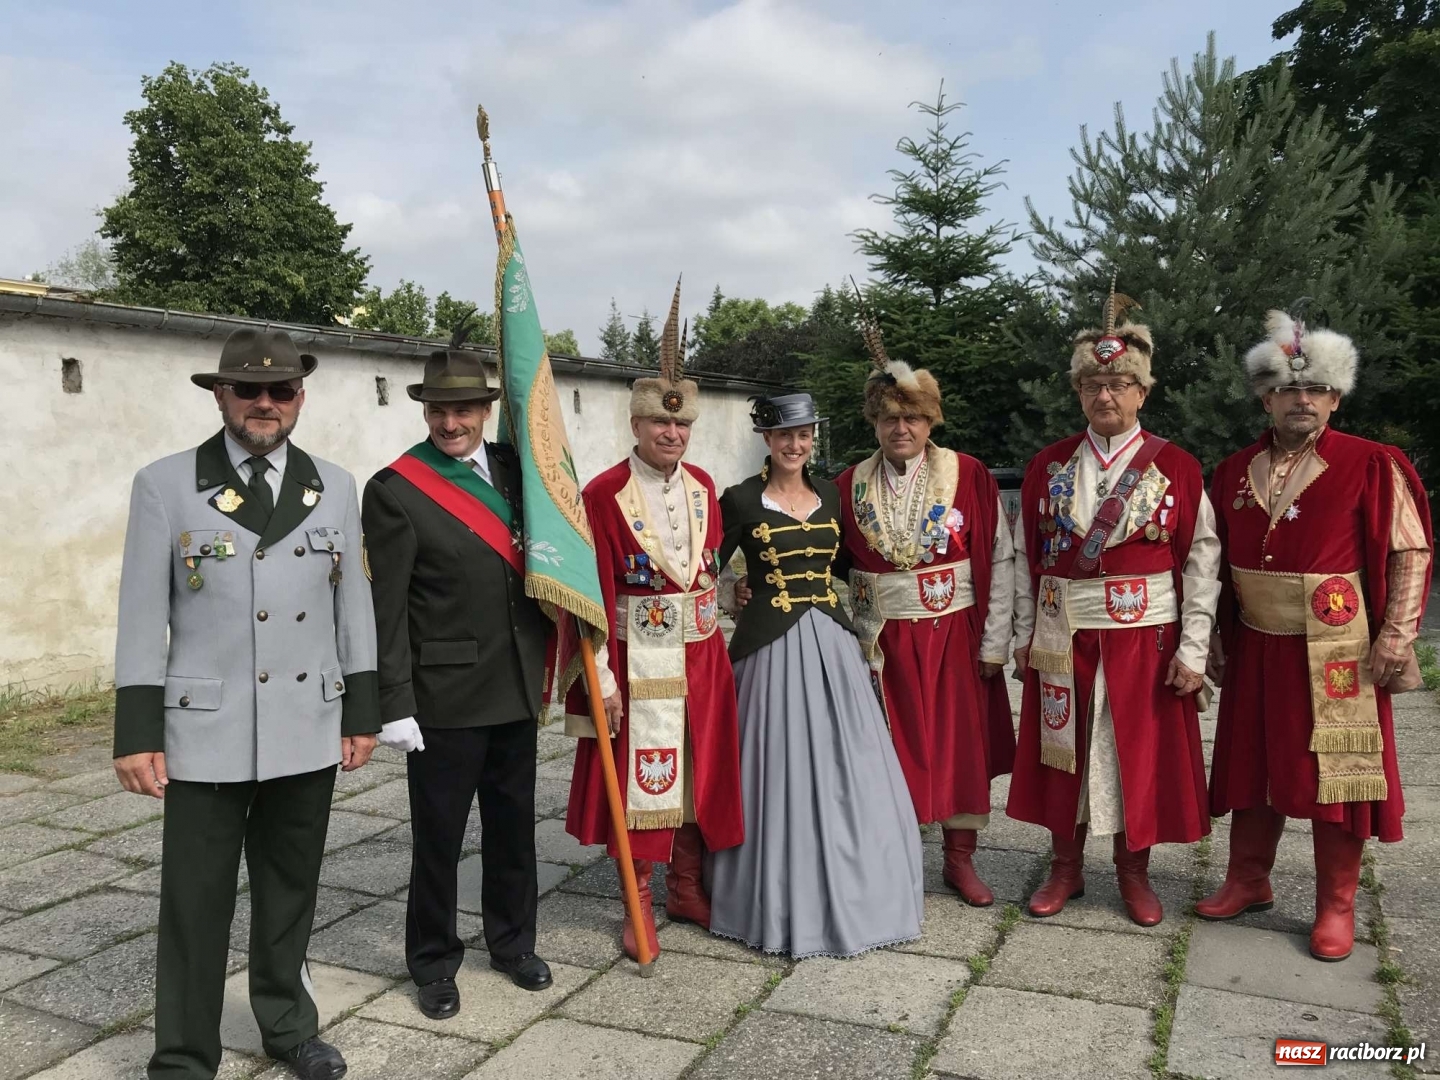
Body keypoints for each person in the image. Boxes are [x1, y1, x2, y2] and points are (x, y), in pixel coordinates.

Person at [112, 328, 380, 1080]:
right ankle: (184, 1056)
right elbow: (141, 614)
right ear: (221, 395)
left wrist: (360, 710)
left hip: (308, 722)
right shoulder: (166, 484)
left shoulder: (334, 484)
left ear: (301, 397)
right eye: (249, 390)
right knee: (195, 906)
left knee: (291, 891)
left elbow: (352, 607)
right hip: (207, 730)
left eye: (282, 390)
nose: (266, 403)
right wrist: (137, 731)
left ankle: (290, 1028)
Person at [1200, 309, 1432, 961]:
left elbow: (1409, 552)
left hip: (1339, 651)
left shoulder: (1370, 462)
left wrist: (1396, 635)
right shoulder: (1232, 470)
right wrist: (1213, 632)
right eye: (1287, 390)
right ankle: (1247, 879)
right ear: (1266, 398)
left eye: (1316, 390)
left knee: (1342, 777)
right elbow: (1212, 561)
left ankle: (1336, 906)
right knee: (1252, 765)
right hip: (1256, 641)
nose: (1301, 401)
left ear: (1335, 397)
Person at [1007, 285, 1219, 926]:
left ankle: (1134, 876)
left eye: (1119, 384)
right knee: (1059, 750)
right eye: (1093, 384)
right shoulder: (1046, 468)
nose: (1106, 395)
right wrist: (1022, 634)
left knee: (1139, 755)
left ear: (1141, 393)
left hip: (1144, 640)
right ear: (1078, 392)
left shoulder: (1177, 467)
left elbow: (1201, 560)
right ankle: (1065, 871)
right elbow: (1023, 559)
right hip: (1062, 634)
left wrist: (1195, 648)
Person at [362, 329, 555, 1018]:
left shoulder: (515, 470)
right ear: (424, 412)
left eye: (465, 409)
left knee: (513, 829)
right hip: (442, 697)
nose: (451, 423)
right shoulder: (395, 490)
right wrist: (393, 700)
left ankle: (512, 943)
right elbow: (385, 609)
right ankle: (435, 961)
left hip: (515, 684)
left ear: (484, 409)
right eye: (439, 410)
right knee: (439, 839)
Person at [562, 280, 744, 962]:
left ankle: (686, 885)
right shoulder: (602, 495)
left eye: (682, 425)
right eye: (659, 423)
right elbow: (591, 595)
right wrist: (601, 677)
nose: (672, 433)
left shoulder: (703, 488)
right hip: (637, 659)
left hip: (701, 656)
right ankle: (638, 896)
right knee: (645, 778)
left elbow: (711, 571)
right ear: (635, 425)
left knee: (699, 772)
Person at [709, 393, 924, 957]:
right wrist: (734, 592)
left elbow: (855, 560)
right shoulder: (738, 499)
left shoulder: (831, 493)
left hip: (831, 639)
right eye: (785, 436)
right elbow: (702, 568)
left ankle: (863, 891)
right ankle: (773, 896)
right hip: (768, 645)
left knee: (847, 760)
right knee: (772, 765)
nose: (795, 445)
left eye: (804, 435)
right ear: (766, 439)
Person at [833, 308, 1016, 906]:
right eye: (889, 418)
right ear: (874, 422)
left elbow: (1000, 557)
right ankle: (895, 858)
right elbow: (823, 561)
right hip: (882, 642)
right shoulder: (847, 485)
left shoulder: (968, 474)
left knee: (959, 748)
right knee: (889, 749)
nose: (901, 429)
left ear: (929, 419)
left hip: (953, 633)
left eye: (912, 417)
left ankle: (959, 861)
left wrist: (995, 643)